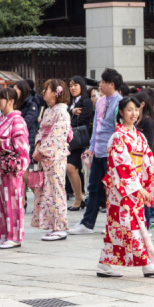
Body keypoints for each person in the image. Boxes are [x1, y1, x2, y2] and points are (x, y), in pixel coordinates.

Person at [96, 96, 154, 278]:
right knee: (130, 225)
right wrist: (137, 186)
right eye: (129, 109)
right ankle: (146, 263)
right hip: (121, 189)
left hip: (132, 187)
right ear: (121, 112)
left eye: (136, 109)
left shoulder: (140, 136)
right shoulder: (118, 137)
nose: (134, 113)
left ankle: (105, 263)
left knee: (120, 227)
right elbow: (122, 166)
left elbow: (148, 161)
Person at [69, 68, 123, 236]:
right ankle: (87, 223)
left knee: (113, 189)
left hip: (112, 152)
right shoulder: (99, 101)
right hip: (98, 151)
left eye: (103, 81)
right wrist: (91, 148)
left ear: (111, 84)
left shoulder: (120, 102)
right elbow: (96, 128)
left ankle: (115, 223)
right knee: (93, 188)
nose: (100, 84)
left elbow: (119, 129)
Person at [0, 87, 30, 249]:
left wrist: (0, 142)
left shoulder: (17, 120)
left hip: (10, 166)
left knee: (12, 200)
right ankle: (3, 234)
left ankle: (14, 236)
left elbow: (21, 144)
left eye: (2, 98)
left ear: (11, 101)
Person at [31, 79, 73, 241]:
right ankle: (52, 225)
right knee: (47, 192)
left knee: (56, 190)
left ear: (56, 92)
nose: (43, 92)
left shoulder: (62, 112)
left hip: (55, 156)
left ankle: (60, 227)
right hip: (46, 156)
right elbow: (41, 131)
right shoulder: (49, 110)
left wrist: (41, 151)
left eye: (46, 89)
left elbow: (57, 135)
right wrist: (37, 148)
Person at [135, 90, 154, 227]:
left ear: (142, 104)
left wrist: (146, 161)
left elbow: (150, 144)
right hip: (140, 160)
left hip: (149, 159)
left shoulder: (147, 121)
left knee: (153, 187)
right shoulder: (139, 120)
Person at [67, 76, 93, 211]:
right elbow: (66, 118)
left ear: (82, 86)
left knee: (70, 167)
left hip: (80, 141)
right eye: (71, 85)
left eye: (75, 85)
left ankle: (79, 199)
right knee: (71, 169)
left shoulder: (86, 102)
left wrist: (70, 115)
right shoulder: (69, 103)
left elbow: (82, 119)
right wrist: (71, 111)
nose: (72, 88)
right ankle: (79, 198)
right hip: (70, 141)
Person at [15, 80, 41, 158]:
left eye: (16, 90)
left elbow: (27, 123)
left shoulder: (32, 104)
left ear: (22, 91)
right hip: (19, 138)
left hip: (29, 138)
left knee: (26, 165)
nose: (14, 92)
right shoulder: (17, 103)